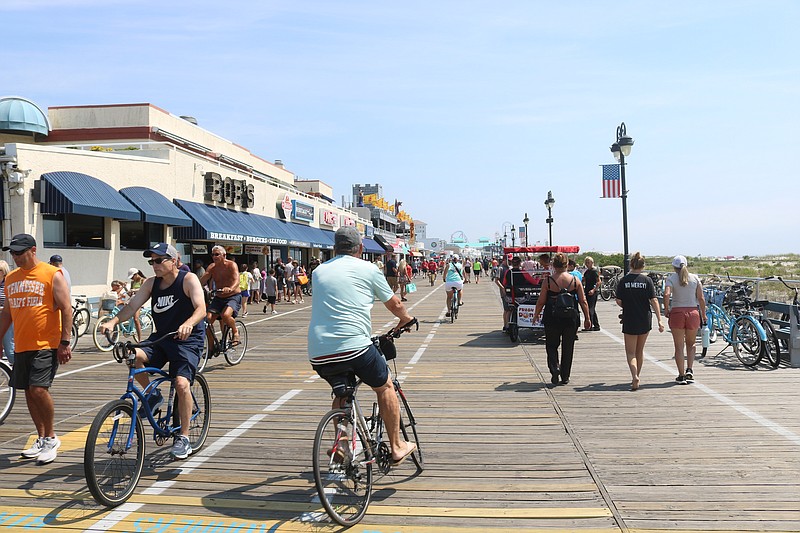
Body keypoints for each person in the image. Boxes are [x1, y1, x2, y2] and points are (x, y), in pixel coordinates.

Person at [308, 226, 417, 465]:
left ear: (335, 248)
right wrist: (406, 319)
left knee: (342, 392)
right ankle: (397, 446)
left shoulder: (318, 271)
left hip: (319, 351)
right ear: (360, 248)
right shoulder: (368, 269)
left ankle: (344, 445)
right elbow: (395, 303)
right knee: (384, 386)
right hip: (354, 346)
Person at [99, 243, 206, 459]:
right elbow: (131, 307)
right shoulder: (151, 284)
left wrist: (189, 323)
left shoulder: (188, 279)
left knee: (181, 383)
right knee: (133, 356)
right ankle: (153, 394)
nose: (154, 265)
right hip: (162, 338)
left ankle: (183, 437)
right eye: (151, 261)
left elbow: (201, 309)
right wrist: (113, 322)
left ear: (174, 261)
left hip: (187, 340)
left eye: (159, 260)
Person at [0, 234, 72, 465]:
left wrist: (65, 342)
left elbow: (66, 308)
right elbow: (7, 313)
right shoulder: (11, 278)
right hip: (22, 344)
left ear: (33, 250)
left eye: (19, 252)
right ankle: (41, 438)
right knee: (28, 392)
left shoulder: (52, 274)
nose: (15, 256)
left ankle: (51, 437)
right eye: (12, 253)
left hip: (46, 344)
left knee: (38, 389)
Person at [532, 253, 591, 385]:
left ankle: (554, 368)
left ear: (553, 265)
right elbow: (583, 301)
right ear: (566, 265)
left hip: (552, 317)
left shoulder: (548, 281)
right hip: (570, 318)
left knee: (551, 345)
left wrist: (536, 315)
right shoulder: (575, 280)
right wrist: (587, 318)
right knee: (568, 347)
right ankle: (565, 376)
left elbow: (541, 301)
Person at [615, 252, 665, 391]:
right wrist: (660, 320)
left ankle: (634, 375)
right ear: (643, 266)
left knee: (630, 353)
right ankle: (637, 375)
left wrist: (628, 305)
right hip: (645, 318)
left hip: (630, 317)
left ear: (631, 264)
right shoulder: (647, 281)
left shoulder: (624, 281)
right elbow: (654, 300)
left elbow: (618, 300)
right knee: (639, 351)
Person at [663, 255, 705, 384]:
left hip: (677, 313)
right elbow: (701, 298)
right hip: (692, 312)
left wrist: (666, 309)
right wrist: (703, 314)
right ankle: (690, 369)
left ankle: (681, 376)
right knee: (691, 343)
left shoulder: (671, 279)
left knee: (679, 346)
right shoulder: (695, 278)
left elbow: (666, 294)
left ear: (673, 267)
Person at [199, 245, 241, 346]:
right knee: (208, 320)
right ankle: (211, 346)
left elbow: (237, 280)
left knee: (225, 315)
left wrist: (230, 288)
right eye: (213, 255)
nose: (214, 257)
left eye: (217, 254)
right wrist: (193, 287)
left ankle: (235, 332)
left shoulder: (231, 265)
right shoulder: (212, 267)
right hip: (219, 297)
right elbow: (203, 279)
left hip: (233, 296)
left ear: (224, 255)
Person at [0, 260, 14, 363]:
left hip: (6, 318)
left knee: (9, 348)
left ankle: (18, 370)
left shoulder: (8, 284)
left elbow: (10, 303)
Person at [582, 256, 601, 331]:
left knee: (590, 309)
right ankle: (596, 325)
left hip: (593, 292)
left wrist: (594, 290)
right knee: (591, 308)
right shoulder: (587, 272)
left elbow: (598, 281)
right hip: (587, 290)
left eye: (588, 262)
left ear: (592, 263)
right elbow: (584, 280)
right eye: (586, 262)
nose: (587, 264)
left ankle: (590, 325)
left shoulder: (594, 271)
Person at [128, 268, 147, 340]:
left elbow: (143, 290)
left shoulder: (143, 280)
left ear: (136, 274)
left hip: (140, 301)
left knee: (136, 319)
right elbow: (131, 294)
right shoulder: (133, 283)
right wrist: (130, 292)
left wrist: (134, 290)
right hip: (133, 300)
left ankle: (139, 339)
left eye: (133, 277)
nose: (132, 279)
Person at [495, 255, 512, 331]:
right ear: (504, 260)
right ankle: (506, 325)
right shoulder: (501, 268)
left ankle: (507, 325)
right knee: (507, 309)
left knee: (509, 309)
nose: (511, 262)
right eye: (509, 260)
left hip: (510, 291)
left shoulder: (509, 268)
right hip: (504, 292)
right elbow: (496, 280)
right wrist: (502, 288)